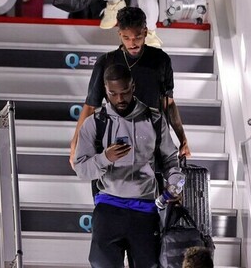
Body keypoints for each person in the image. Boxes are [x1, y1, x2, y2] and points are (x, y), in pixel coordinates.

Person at [73, 63, 184, 268]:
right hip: (109, 205)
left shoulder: (154, 120)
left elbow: (170, 160)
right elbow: (81, 169)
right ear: (105, 90)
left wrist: (175, 179)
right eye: (113, 94)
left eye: (124, 92)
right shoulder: (95, 123)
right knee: (101, 262)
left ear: (133, 86)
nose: (119, 99)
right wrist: (105, 158)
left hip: (145, 208)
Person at [69, 7, 191, 168]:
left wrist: (182, 139)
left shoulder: (161, 60)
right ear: (119, 34)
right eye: (126, 38)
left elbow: (168, 104)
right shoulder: (106, 62)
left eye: (137, 37)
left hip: (153, 142)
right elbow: (90, 106)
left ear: (145, 32)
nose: (132, 43)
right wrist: (75, 145)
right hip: (117, 141)